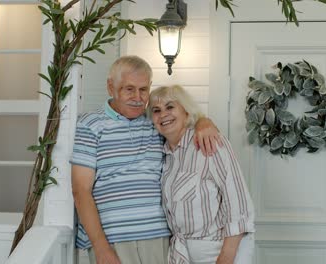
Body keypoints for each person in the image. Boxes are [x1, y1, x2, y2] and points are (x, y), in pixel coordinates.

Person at [70, 56, 221, 264]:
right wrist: (101, 247)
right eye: (129, 89)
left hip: (159, 236)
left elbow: (186, 120)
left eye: (143, 90)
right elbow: (80, 190)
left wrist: (204, 121)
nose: (138, 97)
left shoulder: (156, 122)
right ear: (111, 87)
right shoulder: (90, 125)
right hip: (113, 240)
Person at [147, 85, 255, 264]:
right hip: (182, 252)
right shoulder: (166, 156)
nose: (163, 114)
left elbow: (239, 206)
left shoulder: (209, 143)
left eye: (170, 107)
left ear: (186, 112)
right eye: (156, 110)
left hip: (219, 249)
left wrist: (225, 258)